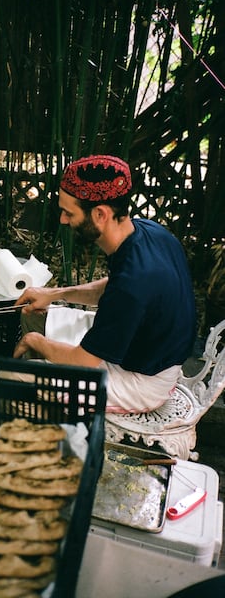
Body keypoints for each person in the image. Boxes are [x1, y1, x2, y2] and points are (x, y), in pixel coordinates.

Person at [12, 154, 197, 413]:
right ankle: (50, 398)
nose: (63, 220)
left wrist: (34, 341)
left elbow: (83, 361)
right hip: (138, 346)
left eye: (68, 212)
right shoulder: (148, 232)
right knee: (34, 316)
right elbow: (111, 288)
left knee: (13, 379)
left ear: (100, 214)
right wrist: (53, 294)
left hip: (142, 381)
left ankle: (49, 422)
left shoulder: (132, 286)